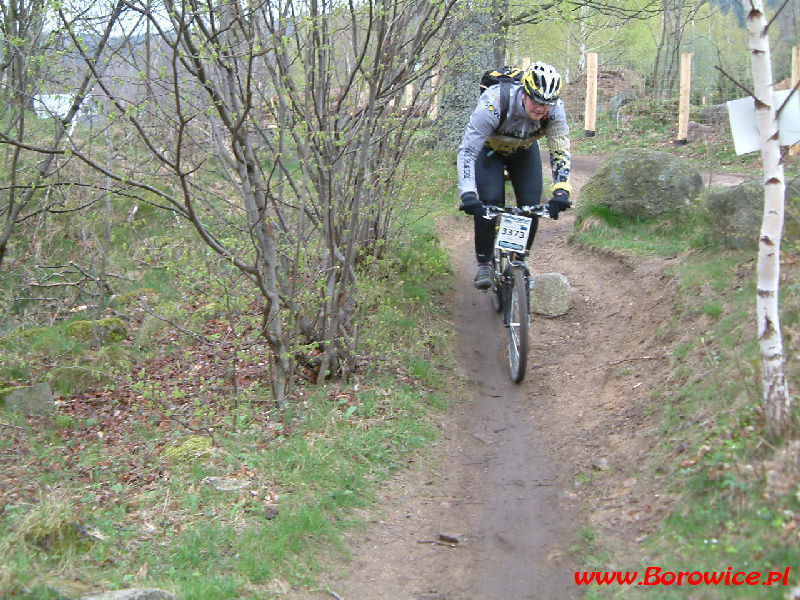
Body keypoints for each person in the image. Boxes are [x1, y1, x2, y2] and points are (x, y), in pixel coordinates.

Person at [457, 61, 572, 289]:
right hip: (489, 152)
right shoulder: (495, 102)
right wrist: (468, 193)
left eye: (547, 104)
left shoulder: (555, 110)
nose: (541, 108)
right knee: (489, 203)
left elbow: (560, 148)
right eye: (537, 101)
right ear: (524, 93)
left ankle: (520, 263)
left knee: (531, 206)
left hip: (524, 152)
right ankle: (484, 264)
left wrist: (561, 189)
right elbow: (469, 150)